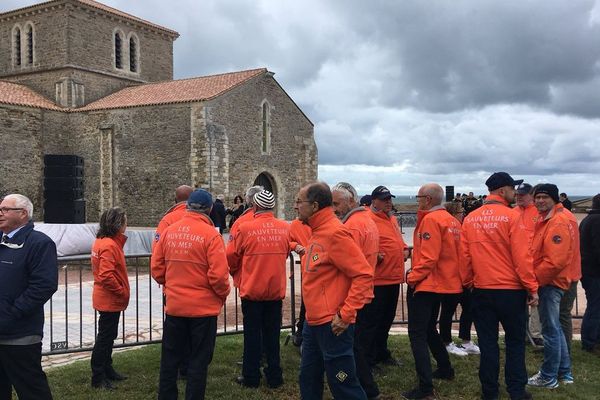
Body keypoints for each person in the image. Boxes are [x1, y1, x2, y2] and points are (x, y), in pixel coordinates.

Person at [460, 172, 538, 400]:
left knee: (488, 343)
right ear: (503, 191)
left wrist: (468, 283)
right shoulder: (513, 217)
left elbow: (464, 257)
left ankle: (489, 392)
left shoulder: (471, 218)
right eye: (513, 189)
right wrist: (531, 287)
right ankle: (516, 390)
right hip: (511, 292)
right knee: (514, 342)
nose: (515, 193)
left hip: (482, 289)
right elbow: (522, 257)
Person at [296, 182, 373, 400]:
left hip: (332, 325)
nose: (296, 207)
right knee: (308, 377)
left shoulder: (335, 234)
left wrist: (346, 314)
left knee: (342, 381)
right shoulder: (317, 231)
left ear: (314, 206)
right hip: (313, 322)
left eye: (299, 202)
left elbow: (363, 274)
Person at [151, 189, 231, 400]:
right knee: (198, 361)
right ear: (210, 209)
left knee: (169, 359)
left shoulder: (170, 231)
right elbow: (220, 277)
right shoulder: (211, 236)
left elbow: (157, 269)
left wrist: (172, 285)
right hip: (203, 311)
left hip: (175, 306)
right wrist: (222, 295)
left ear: (186, 206)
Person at [403, 184, 462, 400]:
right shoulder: (453, 221)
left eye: (418, 197)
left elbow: (429, 257)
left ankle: (425, 387)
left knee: (417, 334)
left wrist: (412, 278)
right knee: (429, 329)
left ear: (427, 199)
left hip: (427, 284)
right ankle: (445, 368)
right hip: (444, 283)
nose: (417, 200)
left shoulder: (430, 220)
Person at [227, 190, 290, 388]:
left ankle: (251, 377)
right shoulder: (284, 228)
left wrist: (237, 270)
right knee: (272, 335)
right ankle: (274, 376)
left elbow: (231, 256)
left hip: (252, 290)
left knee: (252, 336)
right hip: (274, 291)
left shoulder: (245, 228)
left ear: (254, 207)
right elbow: (286, 252)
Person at [0, 194, 58, 400]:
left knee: (31, 390)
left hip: (20, 336)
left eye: (6, 209)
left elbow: (44, 285)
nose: (1, 213)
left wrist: (12, 313)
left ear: (23, 214)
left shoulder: (39, 243)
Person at [332, 182, 380, 400]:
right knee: (358, 345)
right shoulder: (367, 220)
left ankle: (365, 389)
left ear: (351, 201)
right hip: (366, 291)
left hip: (353, 294)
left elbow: (350, 264)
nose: (334, 209)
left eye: (337, 204)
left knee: (352, 348)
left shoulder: (351, 226)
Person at [527, 184, 574, 389]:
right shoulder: (549, 219)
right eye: (537, 197)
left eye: (544, 197)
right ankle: (564, 372)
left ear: (554, 199)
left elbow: (555, 261)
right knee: (556, 329)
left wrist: (534, 283)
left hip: (550, 283)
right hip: (552, 281)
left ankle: (548, 376)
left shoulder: (557, 222)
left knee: (550, 331)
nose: (539, 201)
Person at [153, 184, 193, 380]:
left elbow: (157, 258)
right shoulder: (204, 222)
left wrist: (164, 280)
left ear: (175, 199)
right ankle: (189, 367)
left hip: (173, 290)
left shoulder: (167, 220)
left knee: (174, 332)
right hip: (198, 292)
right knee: (194, 332)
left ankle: (174, 369)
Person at [368, 185, 408, 367]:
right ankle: (371, 357)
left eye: (390, 199)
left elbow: (398, 240)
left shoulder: (390, 219)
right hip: (378, 280)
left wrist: (405, 249)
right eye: (384, 200)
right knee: (374, 322)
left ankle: (381, 353)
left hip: (393, 279)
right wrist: (374, 255)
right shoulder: (368, 220)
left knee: (386, 320)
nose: (388, 203)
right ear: (374, 201)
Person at [90, 207, 130, 390]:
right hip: (110, 298)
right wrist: (121, 291)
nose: (126, 224)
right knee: (105, 338)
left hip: (106, 298)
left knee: (107, 336)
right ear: (118, 224)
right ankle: (98, 376)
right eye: (124, 221)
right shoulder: (109, 245)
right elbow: (106, 275)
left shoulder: (102, 242)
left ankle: (107, 368)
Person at [439, 201, 479, 357]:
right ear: (453, 214)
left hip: (463, 277)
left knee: (469, 308)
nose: (463, 214)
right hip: (450, 277)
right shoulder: (449, 229)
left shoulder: (461, 228)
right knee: (448, 311)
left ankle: (466, 340)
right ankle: (446, 341)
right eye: (461, 212)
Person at [512, 183, 544, 347]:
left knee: (535, 301)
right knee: (518, 301)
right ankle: (521, 332)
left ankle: (536, 333)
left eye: (522, 195)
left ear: (531, 195)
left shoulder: (538, 213)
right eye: (517, 194)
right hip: (516, 264)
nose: (518, 197)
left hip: (534, 263)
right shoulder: (513, 212)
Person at [229, 185, 264, 287]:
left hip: (246, 279)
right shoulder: (278, 224)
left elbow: (231, 253)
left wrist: (234, 270)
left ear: (248, 201)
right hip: (273, 283)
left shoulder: (240, 222)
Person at [580, 194, 600, 353]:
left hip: (588, 270)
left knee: (594, 305)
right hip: (594, 271)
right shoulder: (596, 221)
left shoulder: (588, 219)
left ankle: (592, 338)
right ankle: (590, 341)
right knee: (595, 306)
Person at [289, 218, 311, 348]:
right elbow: (287, 240)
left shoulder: (327, 223)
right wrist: (294, 246)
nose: (296, 206)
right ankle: (302, 332)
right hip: (308, 270)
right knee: (306, 303)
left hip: (323, 271)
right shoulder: (296, 224)